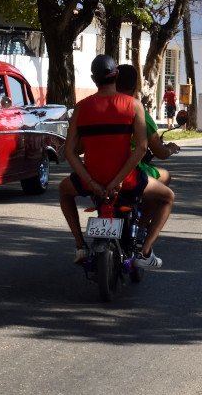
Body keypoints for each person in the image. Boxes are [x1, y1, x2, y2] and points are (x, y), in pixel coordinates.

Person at [59, 55, 155, 268]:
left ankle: (80, 245)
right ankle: (145, 250)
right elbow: (141, 147)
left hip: (91, 180)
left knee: (64, 192)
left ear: (94, 79)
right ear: (116, 75)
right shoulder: (134, 106)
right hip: (125, 180)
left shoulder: (82, 108)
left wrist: (91, 182)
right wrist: (117, 181)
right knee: (167, 197)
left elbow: (69, 150)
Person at [116, 65, 178, 243]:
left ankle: (80, 244)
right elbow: (158, 151)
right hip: (130, 173)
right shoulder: (137, 110)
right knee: (163, 184)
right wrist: (172, 149)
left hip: (98, 172)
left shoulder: (95, 108)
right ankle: (143, 232)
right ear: (136, 86)